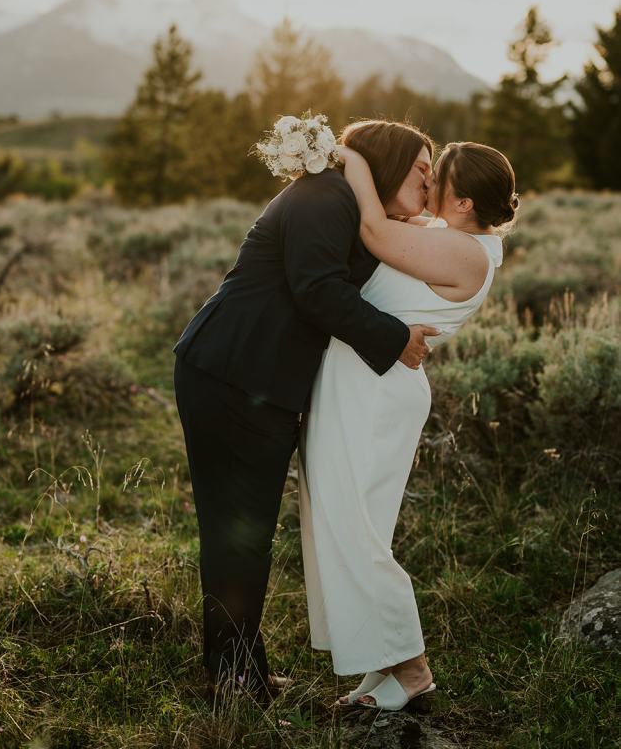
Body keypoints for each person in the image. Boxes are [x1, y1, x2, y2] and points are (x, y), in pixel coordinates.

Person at [172, 119, 439, 700]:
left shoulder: (350, 204)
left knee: (248, 532)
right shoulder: (326, 196)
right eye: (421, 167)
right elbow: (316, 288)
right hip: (230, 373)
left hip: (258, 382)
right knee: (236, 531)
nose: (430, 179)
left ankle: (239, 667)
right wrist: (397, 339)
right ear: (389, 165)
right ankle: (235, 678)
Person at [298, 139, 517, 712]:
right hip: (356, 381)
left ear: (463, 201)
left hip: (376, 393)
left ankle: (413, 668)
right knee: (344, 522)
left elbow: (373, 229)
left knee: (357, 527)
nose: (426, 183)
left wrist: (353, 156)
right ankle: (382, 663)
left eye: (435, 175)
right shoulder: (450, 235)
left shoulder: (467, 254)